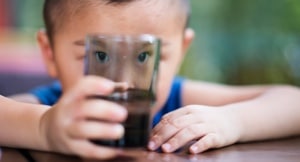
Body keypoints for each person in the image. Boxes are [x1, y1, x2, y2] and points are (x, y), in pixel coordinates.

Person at [4, 0, 300, 160]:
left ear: (181, 50)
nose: (125, 82)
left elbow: (293, 102)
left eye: (144, 57)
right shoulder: (50, 107)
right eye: (101, 57)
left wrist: (232, 121)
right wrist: (43, 127)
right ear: (50, 53)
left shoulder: (178, 99)